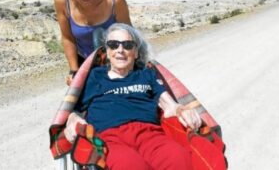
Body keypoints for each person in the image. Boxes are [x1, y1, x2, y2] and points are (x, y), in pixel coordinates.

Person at [63, 23, 202, 170]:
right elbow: (74, 109)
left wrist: (181, 109)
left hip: (149, 134)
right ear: (107, 51)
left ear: (136, 53)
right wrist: (72, 120)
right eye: (113, 45)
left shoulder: (146, 74)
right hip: (109, 137)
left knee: (177, 157)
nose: (120, 50)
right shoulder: (95, 76)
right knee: (130, 165)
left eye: (128, 45)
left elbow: (169, 104)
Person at [54, 0, 132, 85]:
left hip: (118, 59)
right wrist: (74, 71)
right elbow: (68, 38)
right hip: (85, 62)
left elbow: (129, 36)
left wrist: (128, 66)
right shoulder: (62, 2)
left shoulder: (114, 0)